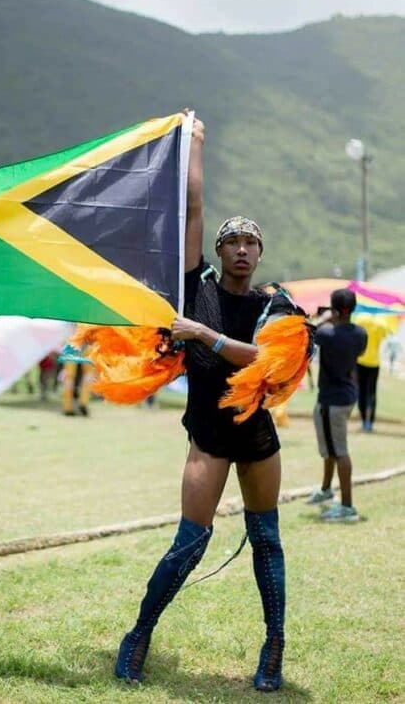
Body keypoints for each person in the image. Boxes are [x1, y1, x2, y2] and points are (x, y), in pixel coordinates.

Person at [115, 112, 296, 692]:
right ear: (219, 250)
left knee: (266, 539)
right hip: (209, 438)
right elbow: (191, 207)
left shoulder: (279, 306)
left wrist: (205, 337)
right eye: (232, 242)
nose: (242, 250)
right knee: (190, 543)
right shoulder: (196, 290)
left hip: (258, 439)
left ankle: (274, 648)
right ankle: (139, 634)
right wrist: (195, 143)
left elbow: (265, 361)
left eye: (251, 242)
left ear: (261, 253)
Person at [306, 290, 367, 520]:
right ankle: (325, 489)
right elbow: (357, 353)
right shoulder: (360, 333)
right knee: (331, 447)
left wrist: (322, 319)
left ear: (334, 309)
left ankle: (347, 506)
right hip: (347, 395)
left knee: (339, 451)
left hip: (332, 399)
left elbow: (308, 330)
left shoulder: (326, 333)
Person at [352, 313, 395, 431]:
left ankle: (363, 420)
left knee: (361, 392)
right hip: (374, 363)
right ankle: (369, 422)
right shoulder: (381, 323)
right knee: (371, 393)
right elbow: (388, 333)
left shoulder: (360, 319)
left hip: (360, 361)